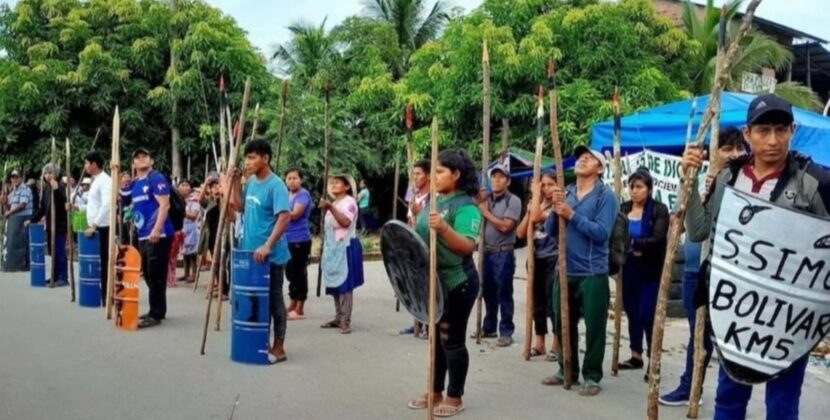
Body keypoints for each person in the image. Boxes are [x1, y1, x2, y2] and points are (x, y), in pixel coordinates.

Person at [681, 94, 830, 419]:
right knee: (729, 398)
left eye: (780, 130)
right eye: (763, 131)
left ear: (793, 130)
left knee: (782, 406)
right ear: (748, 135)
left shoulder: (814, 183)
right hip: (737, 315)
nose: (772, 140)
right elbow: (698, 231)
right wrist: (689, 183)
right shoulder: (728, 178)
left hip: (790, 321)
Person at [660, 127, 747, 406]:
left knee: (726, 338)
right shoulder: (708, 181)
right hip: (696, 272)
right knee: (698, 336)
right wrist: (692, 180)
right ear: (713, 153)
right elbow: (692, 225)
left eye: (739, 148)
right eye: (726, 149)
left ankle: (725, 397)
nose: (734, 154)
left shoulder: (745, 184)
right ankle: (690, 387)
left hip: (728, 275)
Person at [407, 149, 482, 418]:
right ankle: (435, 390)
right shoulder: (434, 202)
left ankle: (455, 395)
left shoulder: (467, 207)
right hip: (434, 283)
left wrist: (444, 229)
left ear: (457, 174)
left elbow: (467, 246)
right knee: (435, 341)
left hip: (458, 282)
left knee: (451, 340)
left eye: (440, 172)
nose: (434, 176)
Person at [543, 145, 619, 397]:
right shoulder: (567, 193)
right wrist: (556, 209)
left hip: (592, 271)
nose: (582, 160)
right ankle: (567, 369)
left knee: (595, 327)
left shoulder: (604, 197)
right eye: (580, 158)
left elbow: (601, 233)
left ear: (600, 169)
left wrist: (571, 214)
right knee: (562, 322)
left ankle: (592, 375)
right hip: (564, 270)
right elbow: (551, 230)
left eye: (589, 159)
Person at [229, 139, 291, 363]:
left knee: (274, 300)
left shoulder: (277, 185)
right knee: (256, 300)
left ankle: (279, 347)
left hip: (271, 256)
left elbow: (284, 217)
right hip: (251, 254)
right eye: (247, 157)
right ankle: (259, 343)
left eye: (253, 157)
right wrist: (236, 181)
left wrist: (267, 245)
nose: (248, 161)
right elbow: (239, 206)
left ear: (265, 158)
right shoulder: (252, 183)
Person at [617, 168, 669, 378]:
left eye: (639, 187)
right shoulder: (623, 209)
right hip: (628, 268)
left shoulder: (658, 210)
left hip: (650, 270)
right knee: (631, 311)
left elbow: (658, 238)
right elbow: (617, 235)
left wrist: (635, 243)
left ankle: (653, 359)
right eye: (632, 187)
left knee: (647, 313)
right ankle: (635, 354)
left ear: (649, 189)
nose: (634, 191)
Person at [119, 148, 174, 329]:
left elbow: (165, 205)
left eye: (145, 156)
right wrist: (116, 173)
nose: (141, 160)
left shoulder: (156, 179)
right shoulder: (136, 183)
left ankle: (155, 314)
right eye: (137, 158)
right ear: (133, 163)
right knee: (150, 274)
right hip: (143, 235)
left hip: (158, 234)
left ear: (151, 161)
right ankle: (159, 309)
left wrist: (157, 229)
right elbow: (122, 196)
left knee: (155, 274)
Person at [516, 171, 560, 361]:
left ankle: (557, 344)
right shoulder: (536, 205)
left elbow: (539, 217)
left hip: (554, 257)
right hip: (536, 257)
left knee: (554, 302)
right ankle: (539, 342)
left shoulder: (559, 205)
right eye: (542, 185)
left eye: (550, 184)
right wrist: (529, 210)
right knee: (537, 302)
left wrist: (534, 200)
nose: (546, 189)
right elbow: (520, 233)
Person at [478, 163, 521, 347]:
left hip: (503, 252)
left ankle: (506, 331)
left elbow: (506, 227)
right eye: (494, 177)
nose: (496, 180)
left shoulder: (513, 201)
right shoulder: (487, 199)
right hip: (486, 252)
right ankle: (489, 327)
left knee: (504, 291)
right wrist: (480, 200)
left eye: (501, 177)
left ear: (508, 181)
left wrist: (486, 213)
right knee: (487, 292)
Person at [319, 174, 364, 335]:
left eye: (337, 182)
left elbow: (345, 222)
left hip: (345, 246)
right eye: (332, 183)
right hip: (333, 248)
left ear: (346, 186)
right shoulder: (334, 203)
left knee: (345, 285)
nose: (334, 185)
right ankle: (338, 316)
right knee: (335, 284)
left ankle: (346, 319)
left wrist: (330, 208)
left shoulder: (349, 203)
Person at [401, 159, 431, 339]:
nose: (415, 177)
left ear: (427, 175)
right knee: (415, 286)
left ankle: (428, 324)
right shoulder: (413, 196)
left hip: (426, 246)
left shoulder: (433, 198)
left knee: (428, 286)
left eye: (418, 173)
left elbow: (430, 224)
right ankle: (417, 322)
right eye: (413, 174)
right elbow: (409, 221)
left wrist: (420, 213)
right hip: (413, 247)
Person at [29, 164, 69, 286]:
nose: (47, 176)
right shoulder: (46, 188)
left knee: (60, 251)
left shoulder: (61, 186)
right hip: (50, 224)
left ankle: (63, 277)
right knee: (53, 251)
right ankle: (55, 275)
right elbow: (42, 208)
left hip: (60, 224)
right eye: (46, 173)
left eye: (50, 173)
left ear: (55, 174)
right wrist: (32, 220)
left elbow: (63, 205)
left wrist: (56, 190)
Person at [83, 151, 112, 305]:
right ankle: (102, 295)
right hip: (95, 227)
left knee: (105, 262)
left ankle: (107, 296)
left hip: (103, 227)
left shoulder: (106, 180)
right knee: (98, 262)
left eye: (87, 163)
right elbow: (93, 204)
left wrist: (94, 225)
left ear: (94, 164)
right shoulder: (95, 180)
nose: (85, 166)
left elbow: (107, 205)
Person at [284, 168, 312, 320]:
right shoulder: (288, 194)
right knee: (290, 272)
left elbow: (295, 215)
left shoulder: (303, 195)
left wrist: (278, 213)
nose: (292, 181)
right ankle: (292, 301)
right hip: (287, 239)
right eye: (289, 178)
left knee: (299, 272)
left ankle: (300, 307)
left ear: (301, 180)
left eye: (295, 178)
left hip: (299, 239)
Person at [3, 170, 33, 271]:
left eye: (16, 177)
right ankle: (14, 264)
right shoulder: (14, 191)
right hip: (14, 219)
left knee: (23, 243)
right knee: (13, 243)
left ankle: (25, 264)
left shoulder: (25, 189)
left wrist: (10, 213)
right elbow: (9, 207)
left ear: (21, 178)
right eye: (12, 178)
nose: (14, 179)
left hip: (23, 218)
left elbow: (22, 205)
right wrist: (4, 202)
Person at [181, 179, 202, 283]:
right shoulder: (179, 199)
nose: (184, 187)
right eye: (182, 185)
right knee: (185, 252)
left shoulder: (195, 199)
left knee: (193, 253)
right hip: (183, 227)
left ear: (190, 187)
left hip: (193, 228)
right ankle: (186, 274)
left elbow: (194, 215)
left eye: (186, 185)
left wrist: (181, 211)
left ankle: (194, 274)